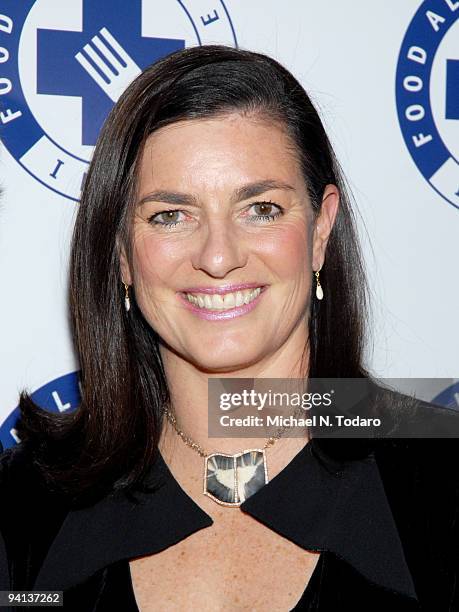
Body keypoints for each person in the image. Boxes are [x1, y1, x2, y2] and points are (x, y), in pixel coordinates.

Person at [1, 44, 459, 611]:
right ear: (121, 253)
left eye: (260, 208)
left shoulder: (445, 479)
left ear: (321, 230)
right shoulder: (22, 509)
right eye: (171, 215)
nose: (218, 257)